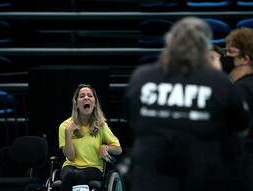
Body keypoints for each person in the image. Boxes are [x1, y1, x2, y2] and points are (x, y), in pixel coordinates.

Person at [125, 17, 250, 191]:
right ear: (203, 48)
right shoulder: (218, 82)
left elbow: (132, 120)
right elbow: (241, 127)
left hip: (149, 178)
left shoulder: (141, 77)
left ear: (169, 43)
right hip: (200, 177)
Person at [58, 84, 122, 191]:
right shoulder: (65, 126)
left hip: (93, 168)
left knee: (78, 176)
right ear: (77, 104)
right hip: (70, 166)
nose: (86, 98)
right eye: (82, 96)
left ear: (95, 103)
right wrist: (68, 134)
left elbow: (118, 149)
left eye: (89, 96)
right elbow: (70, 157)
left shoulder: (101, 125)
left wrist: (106, 147)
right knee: (71, 174)